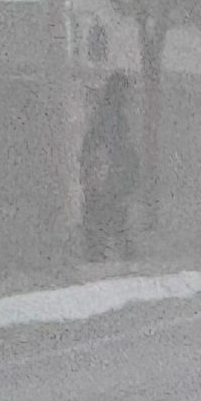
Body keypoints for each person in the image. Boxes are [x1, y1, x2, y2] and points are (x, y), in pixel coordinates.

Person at [78, 72, 140, 263]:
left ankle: (101, 249)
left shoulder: (104, 114)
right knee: (109, 209)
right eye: (126, 92)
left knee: (103, 210)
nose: (129, 97)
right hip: (108, 173)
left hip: (105, 173)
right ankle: (108, 250)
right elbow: (116, 146)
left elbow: (93, 144)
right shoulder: (113, 117)